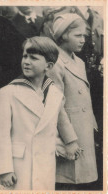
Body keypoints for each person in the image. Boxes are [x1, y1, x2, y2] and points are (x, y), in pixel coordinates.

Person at [0, 36, 82, 190]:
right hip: (18, 165)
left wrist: (71, 142)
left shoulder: (54, 92)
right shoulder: (8, 93)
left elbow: (61, 120)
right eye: (24, 56)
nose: (26, 61)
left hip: (46, 163)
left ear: (48, 66)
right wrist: (5, 169)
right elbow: (1, 136)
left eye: (33, 58)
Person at [46, 13, 98, 190]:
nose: (83, 40)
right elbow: (56, 106)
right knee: (67, 182)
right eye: (78, 35)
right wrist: (69, 141)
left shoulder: (80, 62)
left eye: (84, 35)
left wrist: (92, 125)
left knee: (83, 183)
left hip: (83, 131)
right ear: (63, 35)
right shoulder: (55, 62)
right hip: (69, 135)